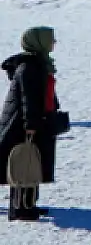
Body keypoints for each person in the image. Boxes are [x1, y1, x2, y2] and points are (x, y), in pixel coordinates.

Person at [2, 28, 63, 222]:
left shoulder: (36, 63)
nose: (54, 42)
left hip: (30, 121)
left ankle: (27, 204)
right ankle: (22, 208)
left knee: (31, 162)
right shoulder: (30, 67)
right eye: (51, 39)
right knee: (25, 163)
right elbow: (29, 99)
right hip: (23, 124)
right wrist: (31, 124)